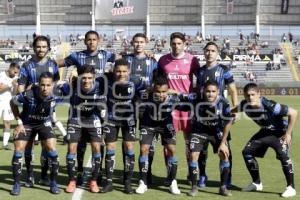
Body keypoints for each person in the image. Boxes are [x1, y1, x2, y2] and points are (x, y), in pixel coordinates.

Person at [57, 30, 115, 185]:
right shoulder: (77, 56)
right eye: (88, 40)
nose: (91, 42)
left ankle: (99, 173)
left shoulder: (106, 54)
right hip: (79, 103)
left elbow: (124, 62)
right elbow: (58, 63)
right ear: (85, 41)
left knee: (98, 142)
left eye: (94, 39)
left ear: (99, 40)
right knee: (80, 143)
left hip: (99, 102)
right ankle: (80, 173)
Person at [17, 35, 66, 187]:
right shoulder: (26, 65)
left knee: (47, 145)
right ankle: (30, 177)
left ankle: (44, 176)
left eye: (44, 46)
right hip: (29, 112)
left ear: (48, 48)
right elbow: (20, 87)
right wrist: (25, 93)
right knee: (29, 144)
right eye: (38, 46)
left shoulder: (52, 64)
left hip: (45, 113)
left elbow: (56, 83)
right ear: (34, 47)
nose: (41, 49)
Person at [233, 83, 297, 198]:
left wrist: (288, 134)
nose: (250, 98)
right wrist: (230, 114)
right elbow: (233, 110)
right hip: (266, 132)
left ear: (259, 94)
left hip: (280, 132)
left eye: (253, 94)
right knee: (247, 152)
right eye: (247, 95)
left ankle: (291, 187)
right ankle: (256, 183)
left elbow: (293, 113)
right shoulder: (244, 104)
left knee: (283, 156)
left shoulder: (270, 105)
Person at [157, 32, 200, 183]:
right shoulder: (163, 60)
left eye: (179, 43)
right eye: (173, 43)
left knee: (190, 142)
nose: (176, 46)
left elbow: (199, 82)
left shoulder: (192, 60)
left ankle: (191, 173)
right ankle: (170, 175)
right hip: (170, 108)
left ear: (184, 44)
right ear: (170, 44)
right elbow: (159, 81)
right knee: (169, 143)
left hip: (188, 108)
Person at [195, 41, 238, 188]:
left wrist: (235, 109)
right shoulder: (200, 71)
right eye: (207, 50)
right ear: (204, 53)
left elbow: (232, 90)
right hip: (202, 114)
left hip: (220, 114)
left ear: (217, 53)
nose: (209, 53)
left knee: (225, 147)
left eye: (212, 51)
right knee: (202, 149)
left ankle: (227, 177)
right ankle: (202, 176)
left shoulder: (224, 70)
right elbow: (197, 92)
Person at [10, 72, 60, 195]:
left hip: (43, 123)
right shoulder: (28, 94)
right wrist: (19, 121)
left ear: (53, 85)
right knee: (18, 150)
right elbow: (12, 102)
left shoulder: (56, 95)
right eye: (42, 85)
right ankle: (18, 183)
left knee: (52, 150)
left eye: (48, 85)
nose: (45, 88)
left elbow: (52, 108)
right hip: (27, 123)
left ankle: (53, 182)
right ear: (38, 84)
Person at [135, 74, 186, 195]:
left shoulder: (173, 98)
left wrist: (177, 93)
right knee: (144, 149)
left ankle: (172, 181)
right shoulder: (146, 96)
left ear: (168, 90)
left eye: (164, 91)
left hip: (165, 125)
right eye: (158, 91)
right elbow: (134, 95)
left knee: (172, 149)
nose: (161, 94)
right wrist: (148, 89)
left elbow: (188, 103)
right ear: (153, 89)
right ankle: (143, 182)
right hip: (148, 124)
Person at [101, 59, 142, 194]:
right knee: (110, 147)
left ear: (129, 71)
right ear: (113, 71)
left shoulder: (136, 81)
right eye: (118, 71)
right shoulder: (106, 79)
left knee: (129, 147)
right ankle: (109, 181)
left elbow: (149, 88)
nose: (121, 74)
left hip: (128, 119)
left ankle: (127, 182)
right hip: (111, 119)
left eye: (124, 71)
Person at [64, 65, 106, 193]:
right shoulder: (72, 86)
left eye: (89, 78)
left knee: (97, 148)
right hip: (75, 119)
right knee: (72, 147)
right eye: (83, 78)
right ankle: (72, 180)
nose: (86, 81)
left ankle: (93, 181)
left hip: (93, 120)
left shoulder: (100, 87)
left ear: (94, 78)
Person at [187, 80, 233, 196]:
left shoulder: (224, 102)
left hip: (216, 132)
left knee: (224, 155)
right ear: (203, 91)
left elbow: (228, 122)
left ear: (218, 92)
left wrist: (223, 142)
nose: (210, 94)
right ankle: (194, 187)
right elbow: (178, 95)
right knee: (193, 156)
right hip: (199, 131)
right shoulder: (195, 98)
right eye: (208, 91)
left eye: (213, 91)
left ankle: (223, 187)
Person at [123, 33, 157, 184]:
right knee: (128, 140)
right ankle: (127, 173)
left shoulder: (152, 61)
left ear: (146, 43)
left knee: (147, 142)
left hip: (147, 106)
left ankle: (147, 171)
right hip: (127, 106)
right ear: (132, 43)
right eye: (136, 42)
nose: (139, 44)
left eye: (141, 42)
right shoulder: (125, 60)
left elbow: (158, 83)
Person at [0, 63, 20, 150]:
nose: (15, 74)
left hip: (9, 103)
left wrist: (15, 86)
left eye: (17, 73)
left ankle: (5, 144)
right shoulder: (1, 75)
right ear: (10, 68)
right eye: (14, 72)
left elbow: (14, 93)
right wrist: (10, 85)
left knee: (7, 122)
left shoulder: (15, 78)